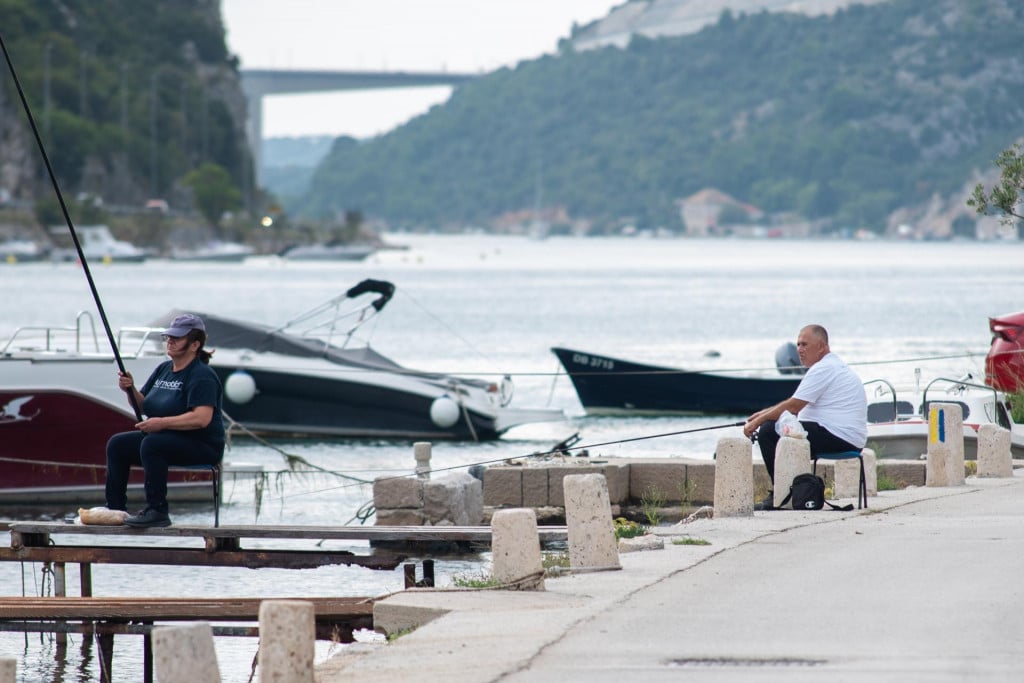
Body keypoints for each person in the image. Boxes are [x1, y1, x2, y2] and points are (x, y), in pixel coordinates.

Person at [105, 313, 225, 528]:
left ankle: (157, 511)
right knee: (118, 444)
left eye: (177, 338)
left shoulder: (202, 376)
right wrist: (130, 389)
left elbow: (201, 418)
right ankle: (114, 509)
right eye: (169, 336)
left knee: (152, 443)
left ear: (194, 345)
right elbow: (143, 406)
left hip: (202, 445)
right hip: (168, 439)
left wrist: (161, 423)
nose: (170, 341)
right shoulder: (163, 369)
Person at [743, 324, 866, 508]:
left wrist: (758, 421)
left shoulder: (823, 369)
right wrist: (761, 414)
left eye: (805, 345)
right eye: (798, 344)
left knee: (768, 431)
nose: (799, 349)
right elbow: (794, 406)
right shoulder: (831, 365)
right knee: (778, 428)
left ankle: (781, 494)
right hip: (846, 437)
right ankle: (791, 493)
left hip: (838, 436)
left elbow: (793, 406)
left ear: (822, 346)